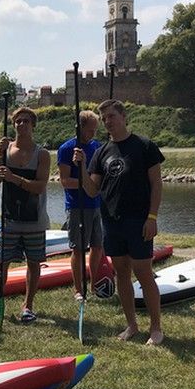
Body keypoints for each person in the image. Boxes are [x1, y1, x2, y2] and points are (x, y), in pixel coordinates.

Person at [77, 99, 164, 345]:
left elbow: (157, 184)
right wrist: (82, 167)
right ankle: (132, 325)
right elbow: (93, 191)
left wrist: (152, 216)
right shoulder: (101, 152)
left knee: (144, 274)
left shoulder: (145, 146)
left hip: (139, 220)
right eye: (104, 119)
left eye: (111, 116)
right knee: (121, 273)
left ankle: (156, 329)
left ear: (124, 116)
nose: (108, 122)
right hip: (112, 222)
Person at [0, 106, 50, 323]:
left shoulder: (41, 154)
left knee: (33, 263)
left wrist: (15, 179)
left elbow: (40, 186)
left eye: (26, 121)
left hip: (35, 220)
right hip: (9, 220)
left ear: (33, 125)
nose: (21, 124)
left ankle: (28, 306)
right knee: (1, 263)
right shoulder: (5, 151)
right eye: (18, 121)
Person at [57, 109, 105, 300]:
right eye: (90, 130)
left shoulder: (97, 146)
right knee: (78, 248)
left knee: (97, 246)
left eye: (95, 130)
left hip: (96, 205)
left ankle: (93, 284)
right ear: (80, 128)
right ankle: (78, 289)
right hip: (77, 205)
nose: (93, 134)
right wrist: (86, 185)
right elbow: (64, 180)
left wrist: (95, 187)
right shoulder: (67, 149)